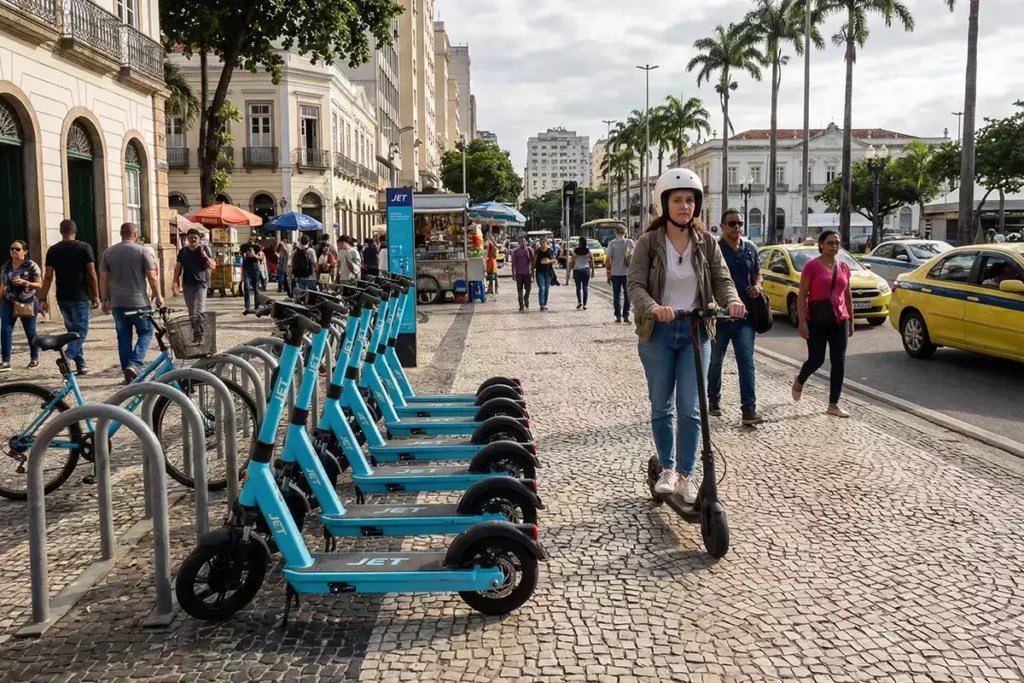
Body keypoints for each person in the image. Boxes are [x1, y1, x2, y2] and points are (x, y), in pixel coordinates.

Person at [627, 169, 745, 502]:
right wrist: (652, 307)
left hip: (696, 331)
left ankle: (686, 475)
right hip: (658, 333)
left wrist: (732, 301)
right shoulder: (649, 243)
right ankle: (666, 467)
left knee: (691, 408)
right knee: (662, 405)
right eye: (677, 200)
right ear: (664, 204)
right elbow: (635, 285)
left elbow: (722, 280)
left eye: (690, 200)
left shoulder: (706, 242)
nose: (684, 206)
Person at [707, 209, 764, 426]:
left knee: (746, 362)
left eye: (739, 223)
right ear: (722, 226)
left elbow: (759, 272)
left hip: (745, 317)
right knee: (714, 362)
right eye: (731, 223)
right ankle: (713, 400)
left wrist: (758, 286)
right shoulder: (715, 249)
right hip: (720, 317)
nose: (737, 227)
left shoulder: (750, 248)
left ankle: (748, 410)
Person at [792, 229, 854, 418]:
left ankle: (833, 404)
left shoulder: (844, 267)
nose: (834, 246)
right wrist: (802, 322)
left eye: (837, 242)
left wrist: (851, 319)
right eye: (830, 242)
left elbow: (847, 293)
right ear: (821, 245)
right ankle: (800, 379)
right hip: (817, 320)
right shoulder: (812, 267)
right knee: (816, 360)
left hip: (839, 319)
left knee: (839, 361)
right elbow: (802, 295)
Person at [100, 222, 164, 383]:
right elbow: (152, 276)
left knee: (123, 337)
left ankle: (127, 374)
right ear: (135, 234)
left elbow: (103, 277)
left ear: (121, 234)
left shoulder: (109, 252)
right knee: (146, 332)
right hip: (139, 301)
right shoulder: (142, 251)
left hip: (118, 302)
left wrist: (104, 298)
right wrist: (160, 297)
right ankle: (134, 364)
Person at [38, 219, 100, 374]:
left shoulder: (53, 250)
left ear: (61, 231)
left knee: (72, 331)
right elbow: (91, 272)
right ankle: (67, 357)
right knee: (81, 331)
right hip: (80, 295)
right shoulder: (84, 247)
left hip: (62, 296)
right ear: (75, 231)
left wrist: (43, 298)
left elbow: (48, 276)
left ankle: (81, 365)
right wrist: (96, 295)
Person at [0, 240, 42, 372]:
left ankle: (34, 358)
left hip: (27, 301)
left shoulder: (31, 266)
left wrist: (25, 282)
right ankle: (6, 361)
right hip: (9, 301)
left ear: (25, 251)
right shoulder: (6, 266)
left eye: (17, 249)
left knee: (30, 331)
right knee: (5, 331)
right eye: (12, 249)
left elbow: (39, 284)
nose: (14, 252)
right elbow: (2, 284)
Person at [172, 228, 217, 342]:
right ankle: (196, 333)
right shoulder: (183, 251)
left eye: (195, 238)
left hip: (201, 284)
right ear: (187, 238)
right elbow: (178, 267)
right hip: (187, 284)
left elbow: (213, 265)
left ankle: (200, 335)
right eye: (190, 237)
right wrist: (175, 281)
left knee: (199, 310)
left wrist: (204, 256)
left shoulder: (204, 249)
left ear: (199, 239)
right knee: (192, 311)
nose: (193, 239)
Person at [605, 224, 635, 323]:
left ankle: (618, 316)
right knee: (627, 295)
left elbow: (608, 259)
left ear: (615, 232)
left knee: (616, 295)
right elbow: (636, 254)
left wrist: (608, 273)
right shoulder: (629, 242)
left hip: (615, 273)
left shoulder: (611, 244)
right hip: (627, 273)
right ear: (625, 232)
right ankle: (626, 315)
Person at [567, 236, 594, 310]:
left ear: (580, 242)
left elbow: (572, 262)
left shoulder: (575, 251)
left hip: (577, 270)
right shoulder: (588, 251)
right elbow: (592, 261)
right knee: (585, 287)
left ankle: (579, 302)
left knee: (578, 287)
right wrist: (593, 271)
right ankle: (585, 304)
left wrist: (569, 271)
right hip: (586, 270)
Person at [239, 233, 263, 312]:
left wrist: (255, 256)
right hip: (246, 268)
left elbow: (261, 258)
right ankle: (247, 306)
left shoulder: (257, 247)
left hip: (255, 269)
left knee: (256, 288)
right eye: (250, 236)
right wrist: (245, 256)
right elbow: (241, 256)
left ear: (255, 238)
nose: (251, 238)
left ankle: (257, 305)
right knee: (246, 287)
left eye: (253, 236)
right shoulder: (243, 246)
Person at [510, 235, 534, 311]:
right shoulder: (515, 251)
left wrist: (532, 273)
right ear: (518, 243)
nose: (523, 243)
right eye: (521, 241)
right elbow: (513, 263)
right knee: (519, 290)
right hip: (519, 274)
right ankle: (521, 304)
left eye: (524, 241)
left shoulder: (529, 250)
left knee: (528, 288)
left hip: (527, 273)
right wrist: (513, 274)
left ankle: (526, 298)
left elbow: (533, 262)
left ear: (526, 242)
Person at [533, 235, 557, 311]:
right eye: (541, 243)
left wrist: (549, 261)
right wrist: (531, 272)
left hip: (548, 272)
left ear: (547, 243)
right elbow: (534, 262)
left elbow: (555, 260)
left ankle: (545, 303)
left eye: (544, 242)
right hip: (540, 272)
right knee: (542, 288)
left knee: (546, 288)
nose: (542, 244)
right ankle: (541, 304)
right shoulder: (537, 251)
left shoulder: (550, 251)